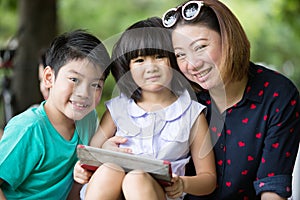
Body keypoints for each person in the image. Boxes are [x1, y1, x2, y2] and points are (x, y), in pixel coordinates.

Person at [159, 0, 300, 199]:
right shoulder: (180, 99)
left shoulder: (277, 94)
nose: (192, 64)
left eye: (200, 47)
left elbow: (272, 187)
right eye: (180, 55)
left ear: (228, 39)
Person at [73, 17, 216, 200]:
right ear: (128, 69)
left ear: (173, 59)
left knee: (136, 178)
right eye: (139, 60)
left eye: (159, 57)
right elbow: (90, 155)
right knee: (109, 169)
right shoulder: (119, 108)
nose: (151, 67)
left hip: (156, 193)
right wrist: (99, 154)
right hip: (111, 190)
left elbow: (209, 179)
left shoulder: (191, 113)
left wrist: (183, 183)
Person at [0, 29, 111, 199]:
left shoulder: (88, 121)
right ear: (49, 78)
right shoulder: (29, 128)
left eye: (95, 85)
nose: (84, 93)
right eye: (74, 80)